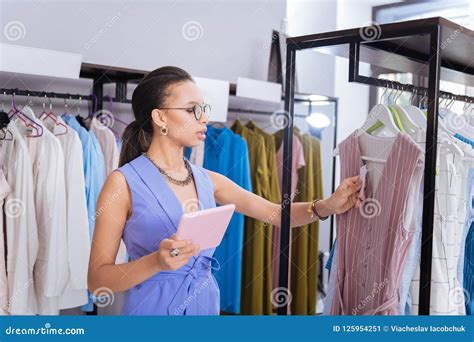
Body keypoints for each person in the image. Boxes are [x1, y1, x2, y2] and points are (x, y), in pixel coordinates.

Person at [87, 66, 362, 315]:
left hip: (205, 304)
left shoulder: (209, 180)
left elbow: (276, 214)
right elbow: (97, 279)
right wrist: (155, 262)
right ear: (160, 117)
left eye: (203, 108)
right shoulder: (122, 183)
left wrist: (327, 206)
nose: (204, 117)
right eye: (192, 109)